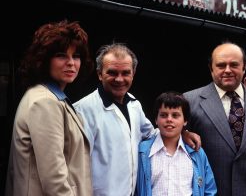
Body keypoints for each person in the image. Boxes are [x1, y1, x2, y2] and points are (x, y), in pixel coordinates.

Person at [73, 43, 201, 196]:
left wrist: (182, 134)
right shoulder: (83, 110)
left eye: (126, 73)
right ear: (100, 74)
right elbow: (76, 166)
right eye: (112, 72)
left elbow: (152, 134)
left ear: (133, 73)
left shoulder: (134, 104)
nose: (119, 79)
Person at [183, 42, 246, 196]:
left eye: (234, 65)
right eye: (221, 65)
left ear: (244, 66)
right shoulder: (189, 101)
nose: (227, 70)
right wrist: (182, 134)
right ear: (211, 68)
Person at [5, 20, 93, 196]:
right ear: (44, 60)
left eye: (76, 56)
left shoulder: (49, 97)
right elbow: (55, 180)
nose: (71, 63)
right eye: (61, 55)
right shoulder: (45, 102)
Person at [136, 91, 217, 196]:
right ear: (156, 119)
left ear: (185, 121)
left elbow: (209, 190)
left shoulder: (197, 153)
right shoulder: (142, 152)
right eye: (164, 115)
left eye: (175, 115)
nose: (169, 119)